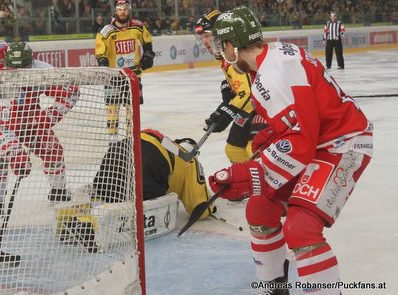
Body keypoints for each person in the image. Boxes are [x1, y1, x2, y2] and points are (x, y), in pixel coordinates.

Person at [209, 7, 372, 294]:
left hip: (342, 143)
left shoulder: (271, 76)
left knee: (301, 229)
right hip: (319, 140)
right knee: (259, 210)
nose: (222, 52)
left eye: (222, 46)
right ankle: (274, 287)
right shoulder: (275, 55)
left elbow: (300, 143)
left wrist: (250, 174)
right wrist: (267, 138)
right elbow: (298, 120)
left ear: (232, 46)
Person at [55, 129, 216, 250]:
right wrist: (212, 206)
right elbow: (200, 208)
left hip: (116, 152)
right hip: (146, 164)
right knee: (139, 200)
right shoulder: (190, 161)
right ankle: (91, 225)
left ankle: (72, 215)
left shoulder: (164, 140)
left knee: (107, 191)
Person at [0, 42, 80, 227]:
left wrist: (45, 119)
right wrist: (14, 153)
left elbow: (71, 94)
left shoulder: (44, 72)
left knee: (53, 150)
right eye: (13, 67)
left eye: (24, 67)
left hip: (32, 118)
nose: (18, 72)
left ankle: (58, 191)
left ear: (32, 62)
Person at [195, 9, 266, 164]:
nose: (205, 42)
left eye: (207, 36)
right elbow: (241, 85)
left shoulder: (235, 53)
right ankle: (249, 182)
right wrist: (228, 87)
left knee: (252, 149)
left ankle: (264, 183)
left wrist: (227, 112)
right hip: (249, 110)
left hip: (262, 109)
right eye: (202, 37)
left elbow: (248, 93)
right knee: (234, 149)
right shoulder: (225, 56)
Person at [95, 0, 155, 136]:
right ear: (115, 11)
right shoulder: (106, 31)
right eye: (120, 9)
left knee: (132, 109)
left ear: (129, 11)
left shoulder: (138, 27)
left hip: (133, 75)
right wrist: (102, 61)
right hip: (113, 76)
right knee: (112, 109)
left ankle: (132, 138)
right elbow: (100, 50)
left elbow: (147, 42)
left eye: (125, 9)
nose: (123, 12)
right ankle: (113, 139)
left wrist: (148, 54)